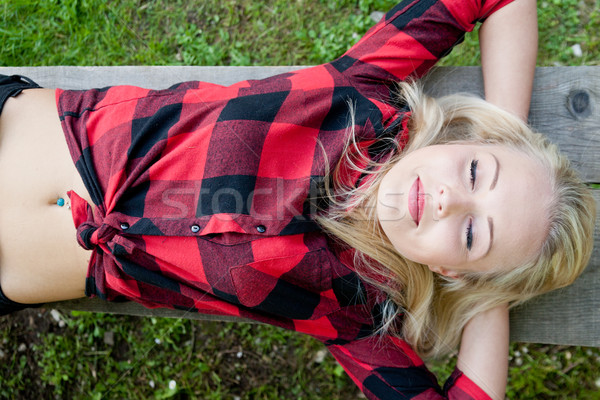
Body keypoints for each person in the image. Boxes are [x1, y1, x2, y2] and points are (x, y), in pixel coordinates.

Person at [0, 0, 594, 399]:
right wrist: (505, 134)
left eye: (471, 231)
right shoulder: (363, 90)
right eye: (472, 171)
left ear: (448, 269)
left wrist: (483, 294)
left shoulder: (358, 319)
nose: (448, 201)